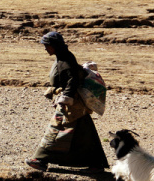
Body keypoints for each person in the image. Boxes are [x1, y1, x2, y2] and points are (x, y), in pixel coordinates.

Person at [25, 31, 108, 172]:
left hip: (71, 103)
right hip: (74, 104)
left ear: (55, 46)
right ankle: (96, 164)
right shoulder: (62, 57)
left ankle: (41, 160)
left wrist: (65, 99)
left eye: (47, 46)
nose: (45, 48)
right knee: (84, 132)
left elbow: (73, 80)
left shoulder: (66, 60)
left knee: (56, 129)